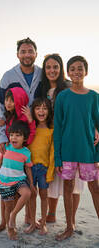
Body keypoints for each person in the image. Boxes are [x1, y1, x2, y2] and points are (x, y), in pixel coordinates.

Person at [0, 37, 41, 228]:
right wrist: (2, 136)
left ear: (36, 53)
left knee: (30, 173)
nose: (27, 54)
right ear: (17, 54)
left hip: (32, 132)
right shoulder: (8, 76)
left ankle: (30, 217)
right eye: (23, 51)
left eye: (30, 51)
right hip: (12, 133)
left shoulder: (42, 74)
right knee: (1, 171)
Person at [54, 55, 99, 241]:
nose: (76, 72)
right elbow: (58, 127)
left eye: (80, 68)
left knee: (95, 188)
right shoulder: (63, 96)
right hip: (68, 151)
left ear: (86, 72)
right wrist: (57, 157)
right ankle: (70, 225)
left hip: (88, 151)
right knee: (68, 187)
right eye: (72, 69)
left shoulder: (94, 97)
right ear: (68, 72)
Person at [40, 54, 84, 225]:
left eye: (55, 67)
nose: (52, 70)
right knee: (53, 178)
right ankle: (51, 213)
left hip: (69, 138)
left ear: (61, 69)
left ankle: (71, 219)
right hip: (50, 137)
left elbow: (82, 110)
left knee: (73, 181)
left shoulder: (68, 87)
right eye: (48, 67)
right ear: (45, 70)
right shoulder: (42, 89)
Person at [0, 120, 36, 240]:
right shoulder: (6, 147)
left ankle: (14, 214)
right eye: (11, 135)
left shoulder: (26, 152)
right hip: (5, 182)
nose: (13, 138)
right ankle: (10, 229)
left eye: (18, 135)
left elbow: (28, 168)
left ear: (25, 138)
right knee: (8, 206)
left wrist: (31, 183)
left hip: (19, 180)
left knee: (27, 193)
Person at [24, 98, 54, 235]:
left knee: (43, 195)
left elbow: (52, 154)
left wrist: (50, 173)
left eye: (44, 108)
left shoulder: (51, 131)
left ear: (49, 111)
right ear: (33, 111)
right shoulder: (31, 129)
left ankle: (43, 224)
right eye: (38, 108)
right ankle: (32, 222)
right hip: (30, 169)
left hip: (43, 169)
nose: (41, 111)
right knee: (31, 196)